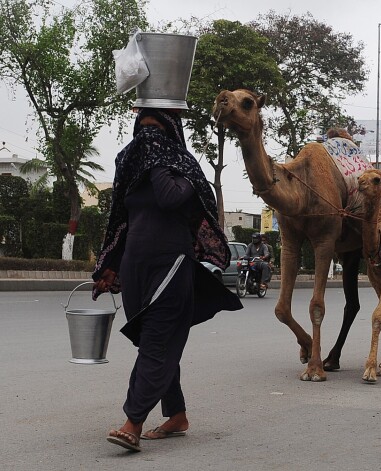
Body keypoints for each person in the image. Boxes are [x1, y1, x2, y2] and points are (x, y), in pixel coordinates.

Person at [92, 69, 243, 450]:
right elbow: (122, 222)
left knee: (158, 343)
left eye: (154, 127)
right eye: (141, 126)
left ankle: (132, 422)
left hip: (172, 268)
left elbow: (171, 200)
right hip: (136, 267)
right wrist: (109, 267)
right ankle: (176, 415)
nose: (146, 136)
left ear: (170, 127)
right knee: (156, 344)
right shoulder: (130, 163)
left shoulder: (182, 168)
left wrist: (159, 160)